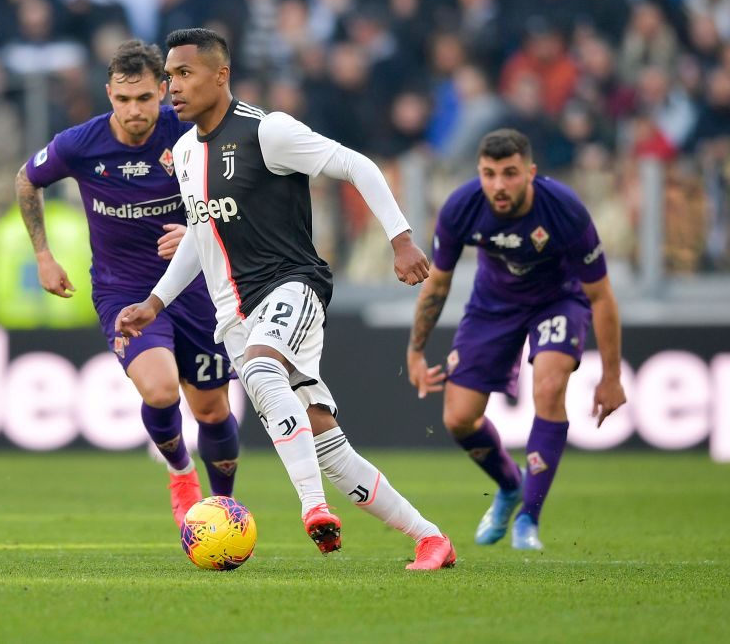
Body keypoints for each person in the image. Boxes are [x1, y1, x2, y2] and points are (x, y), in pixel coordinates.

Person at [116, 28, 456, 570]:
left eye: (183, 74)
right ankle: (430, 538)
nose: (171, 87)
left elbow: (358, 165)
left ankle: (313, 507)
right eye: (168, 77)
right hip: (235, 315)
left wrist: (401, 238)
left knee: (260, 368)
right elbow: (201, 235)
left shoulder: (267, 131)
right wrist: (155, 303)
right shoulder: (183, 151)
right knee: (328, 445)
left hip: (291, 284)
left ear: (220, 75)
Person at [15, 40, 240, 528]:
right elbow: (27, 180)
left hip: (196, 287)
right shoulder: (81, 144)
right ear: (108, 95)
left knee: (211, 409)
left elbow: (238, 188)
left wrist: (199, 230)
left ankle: (224, 509)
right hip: (123, 290)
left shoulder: (192, 130)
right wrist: (43, 255)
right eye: (122, 99)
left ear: (162, 91)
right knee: (159, 390)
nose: (133, 110)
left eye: (143, 98)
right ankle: (180, 473)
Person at [406, 129, 627, 550]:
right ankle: (510, 486)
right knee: (458, 418)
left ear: (530, 172)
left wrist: (612, 377)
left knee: (549, 387)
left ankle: (529, 518)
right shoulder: (461, 208)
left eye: (509, 173)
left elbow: (601, 296)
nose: (498, 185)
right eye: (489, 174)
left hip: (558, 301)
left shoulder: (564, 210)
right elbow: (437, 284)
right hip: (493, 305)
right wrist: (416, 351)